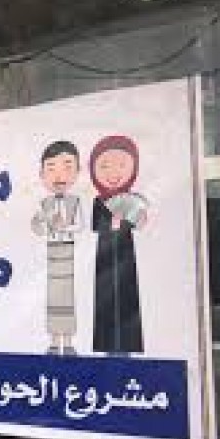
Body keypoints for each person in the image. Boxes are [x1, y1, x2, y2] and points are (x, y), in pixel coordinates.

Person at [89, 135, 147, 354]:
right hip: (104, 254)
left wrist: (131, 219)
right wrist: (113, 220)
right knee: (105, 301)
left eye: (121, 165)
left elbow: (138, 223)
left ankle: (126, 347)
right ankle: (107, 347)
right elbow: (96, 225)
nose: (113, 173)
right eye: (104, 166)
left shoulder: (132, 199)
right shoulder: (99, 200)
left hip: (124, 252)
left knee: (126, 299)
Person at [31, 140, 84, 355]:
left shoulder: (76, 201)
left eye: (67, 167)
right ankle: (54, 342)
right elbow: (38, 228)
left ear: (78, 171)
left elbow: (79, 225)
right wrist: (44, 223)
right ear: (42, 174)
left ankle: (68, 343)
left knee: (67, 299)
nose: (59, 175)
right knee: (53, 300)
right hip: (52, 252)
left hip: (68, 251)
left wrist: (65, 226)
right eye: (51, 168)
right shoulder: (44, 204)